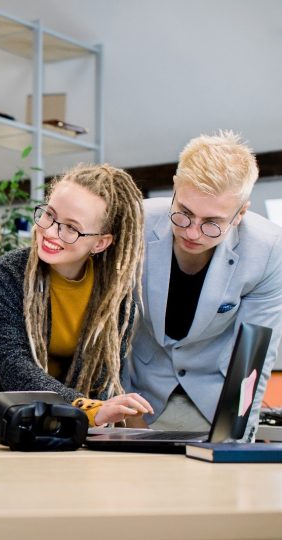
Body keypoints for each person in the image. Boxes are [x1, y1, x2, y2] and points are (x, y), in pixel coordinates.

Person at [0, 164, 154, 428]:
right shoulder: (11, 272)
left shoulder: (116, 300)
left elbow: (103, 381)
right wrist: (86, 408)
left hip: (61, 423)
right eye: (49, 215)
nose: (50, 232)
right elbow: (14, 368)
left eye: (71, 228)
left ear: (100, 243)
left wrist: (103, 412)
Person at [124, 131, 282, 439]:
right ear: (174, 187)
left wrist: (237, 437)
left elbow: (253, 359)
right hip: (140, 390)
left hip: (214, 398)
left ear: (241, 214)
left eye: (212, 223)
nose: (193, 232)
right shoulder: (135, 224)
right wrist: (117, 413)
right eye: (184, 213)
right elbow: (109, 329)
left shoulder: (269, 250)